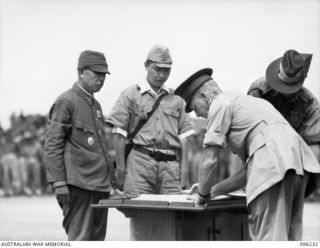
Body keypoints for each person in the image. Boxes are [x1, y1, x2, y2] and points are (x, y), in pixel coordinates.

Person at [175, 68, 320, 240]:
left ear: (204, 97)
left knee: (268, 236)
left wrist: (202, 196)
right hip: (298, 166)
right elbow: (250, 170)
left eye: (194, 108)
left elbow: (209, 160)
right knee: (291, 235)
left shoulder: (219, 104)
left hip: (275, 169)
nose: (197, 114)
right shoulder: (246, 103)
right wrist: (213, 190)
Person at [106, 45, 195, 198]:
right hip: (140, 165)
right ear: (146, 66)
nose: (161, 75)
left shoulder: (177, 99)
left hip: (170, 168)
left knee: (172, 212)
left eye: (166, 70)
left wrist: (185, 170)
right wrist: (120, 170)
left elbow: (184, 139)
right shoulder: (130, 95)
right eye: (157, 69)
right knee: (140, 212)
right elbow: (119, 135)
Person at [44, 50, 114, 241]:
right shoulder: (66, 101)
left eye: (104, 75)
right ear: (82, 72)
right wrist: (59, 182)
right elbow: (53, 144)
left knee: (97, 239)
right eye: (97, 73)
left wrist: (111, 179)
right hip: (78, 185)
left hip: (99, 185)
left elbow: (100, 147)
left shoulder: (96, 105)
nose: (101, 79)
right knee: (80, 239)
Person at [248, 49, 320, 197]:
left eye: (291, 87)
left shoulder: (310, 104)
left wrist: (299, 188)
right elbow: (246, 134)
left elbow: (313, 149)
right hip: (259, 159)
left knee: (290, 214)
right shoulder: (258, 91)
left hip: (293, 164)